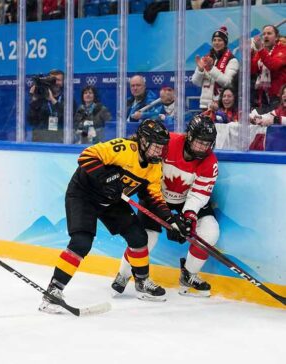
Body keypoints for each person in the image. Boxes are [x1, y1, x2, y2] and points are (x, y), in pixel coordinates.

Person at [39, 119, 189, 314]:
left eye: (162, 147)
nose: (159, 151)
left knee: (138, 237)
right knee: (81, 242)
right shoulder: (124, 149)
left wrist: (171, 221)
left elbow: (154, 197)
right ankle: (53, 291)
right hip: (83, 195)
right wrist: (105, 177)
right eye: (155, 146)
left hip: (112, 201)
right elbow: (87, 155)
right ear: (143, 141)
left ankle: (142, 282)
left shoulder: (154, 167)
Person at [112, 114, 219, 298]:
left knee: (210, 231)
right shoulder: (168, 144)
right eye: (200, 142)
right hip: (157, 195)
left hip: (187, 200)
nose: (203, 147)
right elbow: (146, 165)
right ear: (190, 136)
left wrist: (189, 217)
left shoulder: (210, 162)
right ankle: (124, 274)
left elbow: (198, 194)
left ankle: (189, 275)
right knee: (145, 239)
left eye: (207, 143)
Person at [192, 26, 239, 110]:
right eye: (214, 40)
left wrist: (211, 68)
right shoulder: (205, 58)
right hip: (205, 106)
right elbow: (196, 82)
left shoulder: (232, 60)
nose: (216, 43)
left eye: (220, 40)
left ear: (225, 43)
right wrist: (200, 70)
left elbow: (228, 83)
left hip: (222, 106)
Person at [251, 25, 286, 113]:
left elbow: (273, 65)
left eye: (269, 33)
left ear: (277, 37)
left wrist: (260, 50)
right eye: (264, 34)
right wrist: (249, 54)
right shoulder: (262, 51)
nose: (266, 36)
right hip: (263, 96)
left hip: (278, 96)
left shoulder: (283, 50)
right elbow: (252, 70)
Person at [27, 69, 66, 143]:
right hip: (40, 141)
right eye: (52, 80)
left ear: (63, 82)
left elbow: (67, 121)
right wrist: (34, 100)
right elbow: (31, 121)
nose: (55, 83)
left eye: (58, 80)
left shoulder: (67, 99)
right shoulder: (40, 98)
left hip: (59, 142)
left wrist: (53, 100)